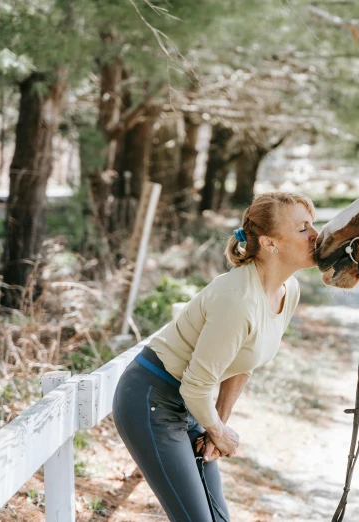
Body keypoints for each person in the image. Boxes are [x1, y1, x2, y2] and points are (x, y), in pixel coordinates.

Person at [112, 192, 318, 521]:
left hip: (192, 402)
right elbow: (196, 384)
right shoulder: (237, 299)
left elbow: (244, 363)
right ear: (270, 243)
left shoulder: (287, 290)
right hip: (152, 398)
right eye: (303, 228)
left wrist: (216, 428)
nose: (315, 235)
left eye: (313, 224)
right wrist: (220, 433)